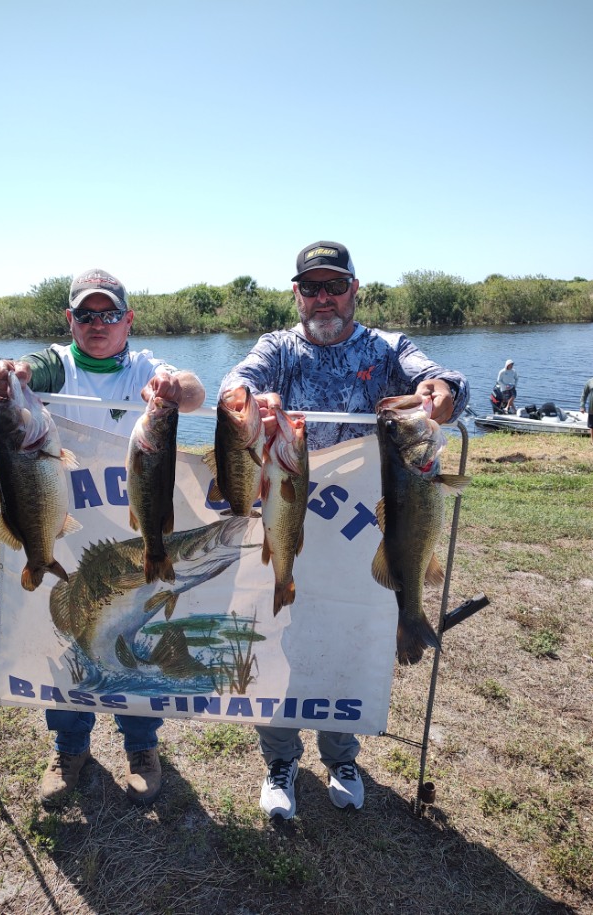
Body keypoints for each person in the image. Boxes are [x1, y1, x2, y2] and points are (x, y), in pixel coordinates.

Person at [219, 240, 469, 820]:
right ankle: (280, 759)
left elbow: (442, 379)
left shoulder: (388, 348)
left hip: (362, 531)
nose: (323, 298)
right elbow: (238, 379)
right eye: (312, 288)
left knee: (350, 636)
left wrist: (444, 392)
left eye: (335, 286)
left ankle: (341, 756)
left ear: (354, 290)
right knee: (276, 638)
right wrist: (248, 397)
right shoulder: (278, 348)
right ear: (297, 294)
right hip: (290, 520)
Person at [0, 268, 205, 808]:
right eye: (85, 314)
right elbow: (16, 372)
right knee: (65, 640)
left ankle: (141, 748)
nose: (97, 323)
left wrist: (176, 390)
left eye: (109, 314)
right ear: (70, 319)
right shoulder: (55, 365)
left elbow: (195, 392)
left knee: (132, 635)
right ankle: (69, 748)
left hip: (126, 540)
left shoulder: (145, 368)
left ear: (128, 319)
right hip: (68, 538)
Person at [580, 375, 593, 442]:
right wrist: (582, 406)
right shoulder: (590, 382)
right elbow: (584, 394)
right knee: (592, 426)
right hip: (592, 408)